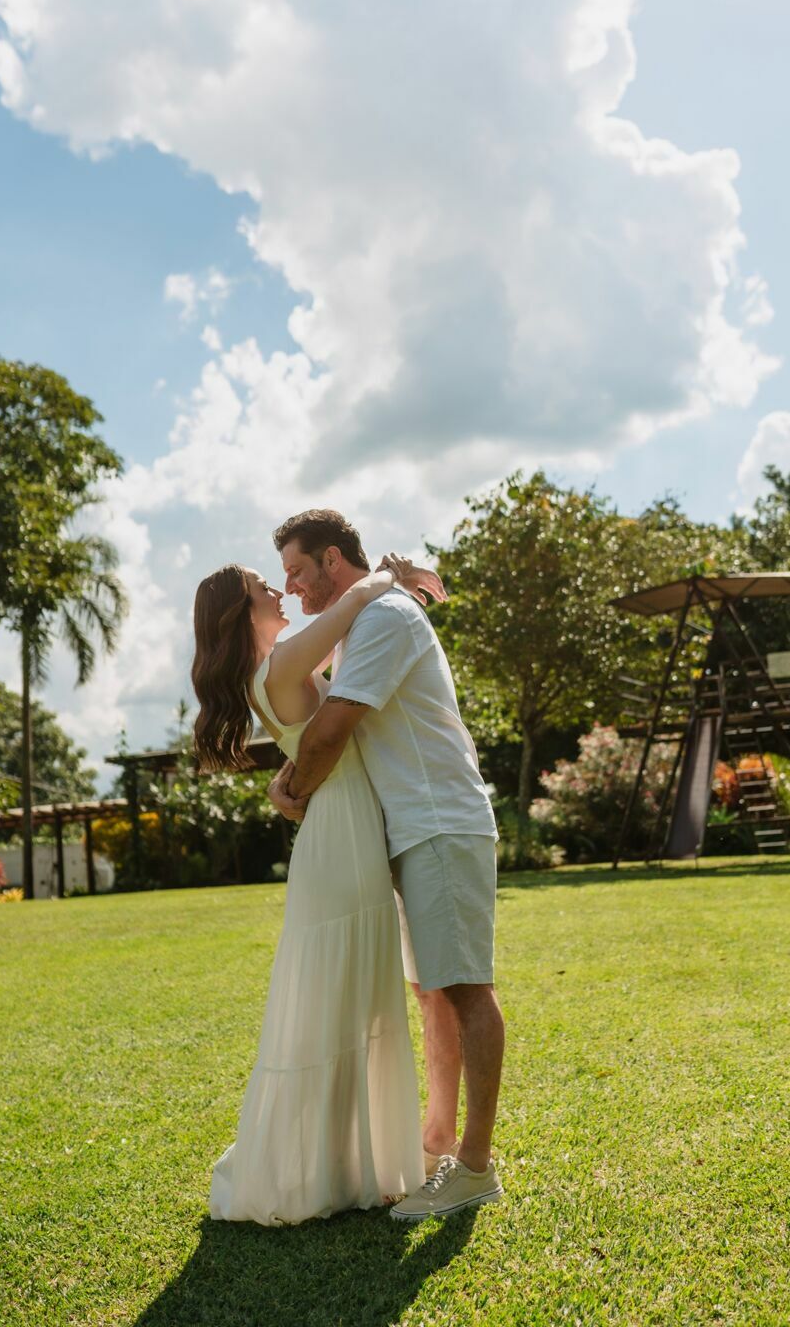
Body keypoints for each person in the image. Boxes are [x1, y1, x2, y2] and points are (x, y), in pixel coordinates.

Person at [267, 508, 505, 1223]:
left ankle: (474, 1167)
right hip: (408, 831)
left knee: (463, 987)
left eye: (299, 573)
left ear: (333, 558)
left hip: (438, 823)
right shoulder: (363, 616)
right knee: (432, 990)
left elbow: (335, 727)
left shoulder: (382, 620)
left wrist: (292, 792)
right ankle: (434, 1144)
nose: (295, 591)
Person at [191, 551, 439, 1224]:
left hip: (343, 827)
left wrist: (287, 781)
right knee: (346, 996)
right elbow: (353, 607)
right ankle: (328, 1168)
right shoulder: (279, 664)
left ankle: (349, 1162)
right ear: (240, 613)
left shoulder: (276, 668)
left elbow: (355, 671)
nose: (278, 589)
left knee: (354, 997)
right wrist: (393, 573)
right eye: (261, 587)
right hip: (339, 838)